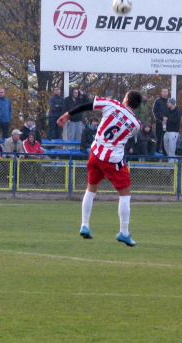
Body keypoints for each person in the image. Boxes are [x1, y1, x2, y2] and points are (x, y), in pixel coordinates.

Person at [58, 90, 142, 246]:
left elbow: (88, 105)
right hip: (113, 159)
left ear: (126, 99)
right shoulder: (136, 125)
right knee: (125, 194)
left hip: (95, 154)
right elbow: (125, 137)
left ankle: (85, 225)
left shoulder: (111, 104)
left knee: (91, 189)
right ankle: (124, 232)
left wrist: (68, 114)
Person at [152, 88, 170, 153]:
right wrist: (161, 119)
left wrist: (168, 119)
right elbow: (154, 111)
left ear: (168, 93)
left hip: (168, 123)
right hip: (159, 122)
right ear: (161, 93)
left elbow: (172, 111)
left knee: (166, 138)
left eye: (166, 91)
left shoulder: (169, 101)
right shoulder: (157, 101)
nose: (165, 93)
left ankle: (165, 152)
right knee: (158, 137)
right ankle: (156, 152)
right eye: (163, 91)